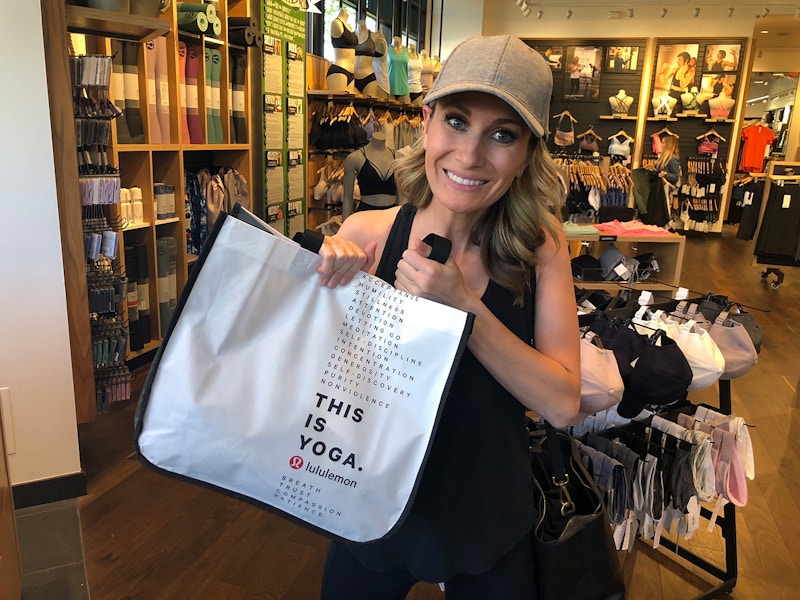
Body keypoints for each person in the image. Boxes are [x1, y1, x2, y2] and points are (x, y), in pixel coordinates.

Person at [314, 34, 580, 599]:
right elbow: (313, 378)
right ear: (427, 121)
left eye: (502, 135)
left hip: (487, 515)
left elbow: (561, 403)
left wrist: (462, 306)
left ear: (529, 152)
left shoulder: (541, 249)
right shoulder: (368, 235)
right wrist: (322, 284)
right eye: (457, 121)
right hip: (369, 504)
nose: (469, 156)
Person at [341, 131, 397, 219]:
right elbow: (347, 198)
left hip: (392, 218)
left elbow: (403, 197)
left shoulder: (398, 157)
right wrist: (344, 227)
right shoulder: (355, 158)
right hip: (365, 217)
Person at [326, 8, 357, 93]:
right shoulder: (336, 23)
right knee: (338, 104)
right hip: (339, 70)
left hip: (351, 71)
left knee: (348, 105)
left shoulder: (349, 27)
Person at [353, 20, 378, 96]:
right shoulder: (350, 37)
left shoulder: (374, 36)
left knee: (369, 106)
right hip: (352, 77)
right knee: (349, 106)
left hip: (368, 77)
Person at [388, 36, 410, 102]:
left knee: (405, 112)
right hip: (390, 88)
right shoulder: (387, 49)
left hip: (404, 88)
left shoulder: (407, 51)